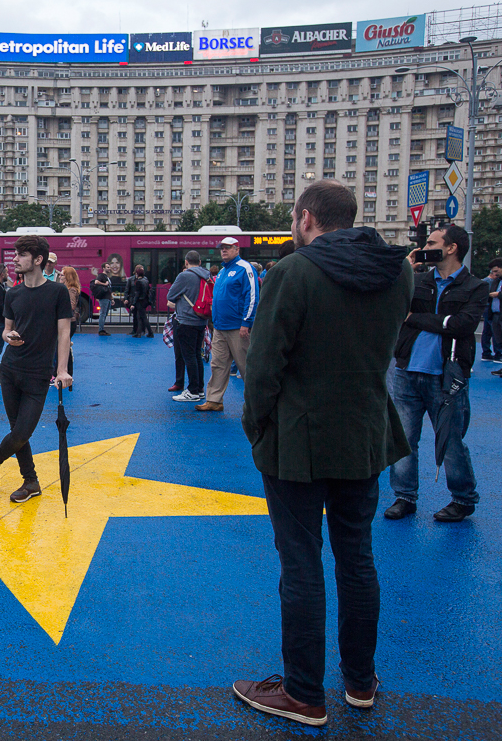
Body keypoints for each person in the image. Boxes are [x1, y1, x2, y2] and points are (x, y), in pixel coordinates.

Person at [236, 180, 413, 728]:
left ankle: (305, 694)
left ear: (306, 217)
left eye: (294, 218)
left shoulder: (294, 272)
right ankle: (360, 681)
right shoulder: (398, 271)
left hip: (299, 442)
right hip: (364, 435)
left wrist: (255, 425)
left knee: (302, 564)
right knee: (357, 559)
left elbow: (264, 366)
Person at [386, 225, 488, 523]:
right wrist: (404, 269)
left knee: (451, 440)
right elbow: (391, 305)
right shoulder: (418, 280)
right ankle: (404, 497)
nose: (426, 246)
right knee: (404, 439)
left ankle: (463, 499)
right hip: (406, 370)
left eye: (431, 242)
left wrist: (415, 318)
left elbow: (462, 325)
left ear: (452, 247)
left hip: (446, 375)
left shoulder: (475, 286)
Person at [0, 235, 73, 504]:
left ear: (38, 259)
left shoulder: (57, 292)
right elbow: (6, 330)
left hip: (38, 373)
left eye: (21, 255)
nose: (15, 259)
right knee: (16, 428)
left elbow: (64, 331)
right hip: (9, 369)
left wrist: (62, 370)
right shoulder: (13, 293)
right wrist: (9, 337)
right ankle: (30, 481)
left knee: (22, 433)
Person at [196, 237, 260, 413]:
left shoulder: (245, 268)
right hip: (220, 327)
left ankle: (258, 401)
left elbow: (252, 296)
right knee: (218, 364)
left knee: (246, 366)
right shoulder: (223, 272)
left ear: (237, 249)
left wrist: (246, 323)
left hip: (238, 327)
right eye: (221, 248)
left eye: (227, 248)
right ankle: (214, 400)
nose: (223, 250)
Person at [166, 251, 210, 402]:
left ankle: (192, 391)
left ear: (186, 262)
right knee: (197, 355)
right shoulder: (206, 274)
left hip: (186, 320)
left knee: (188, 356)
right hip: (201, 320)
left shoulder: (185, 276)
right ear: (199, 261)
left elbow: (170, 295)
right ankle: (199, 388)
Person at [61, 265, 82, 382]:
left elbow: (72, 305)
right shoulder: (67, 289)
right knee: (65, 346)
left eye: (62, 275)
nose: (60, 276)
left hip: (69, 321)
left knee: (65, 347)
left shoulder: (71, 290)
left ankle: (68, 372)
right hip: (69, 321)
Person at [130, 265, 152, 338]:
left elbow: (137, 293)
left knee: (141, 317)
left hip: (140, 301)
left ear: (137, 274)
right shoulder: (146, 280)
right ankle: (142, 332)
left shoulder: (138, 282)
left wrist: (133, 303)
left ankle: (147, 332)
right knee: (141, 317)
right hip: (145, 300)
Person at [90, 268, 113, 336]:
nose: (109, 268)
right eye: (108, 267)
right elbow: (96, 282)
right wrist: (105, 284)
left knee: (104, 313)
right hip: (104, 297)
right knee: (103, 313)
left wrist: (112, 299)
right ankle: (101, 330)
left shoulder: (106, 277)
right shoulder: (101, 275)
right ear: (104, 268)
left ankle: (102, 328)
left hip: (107, 297)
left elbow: (109, 289)